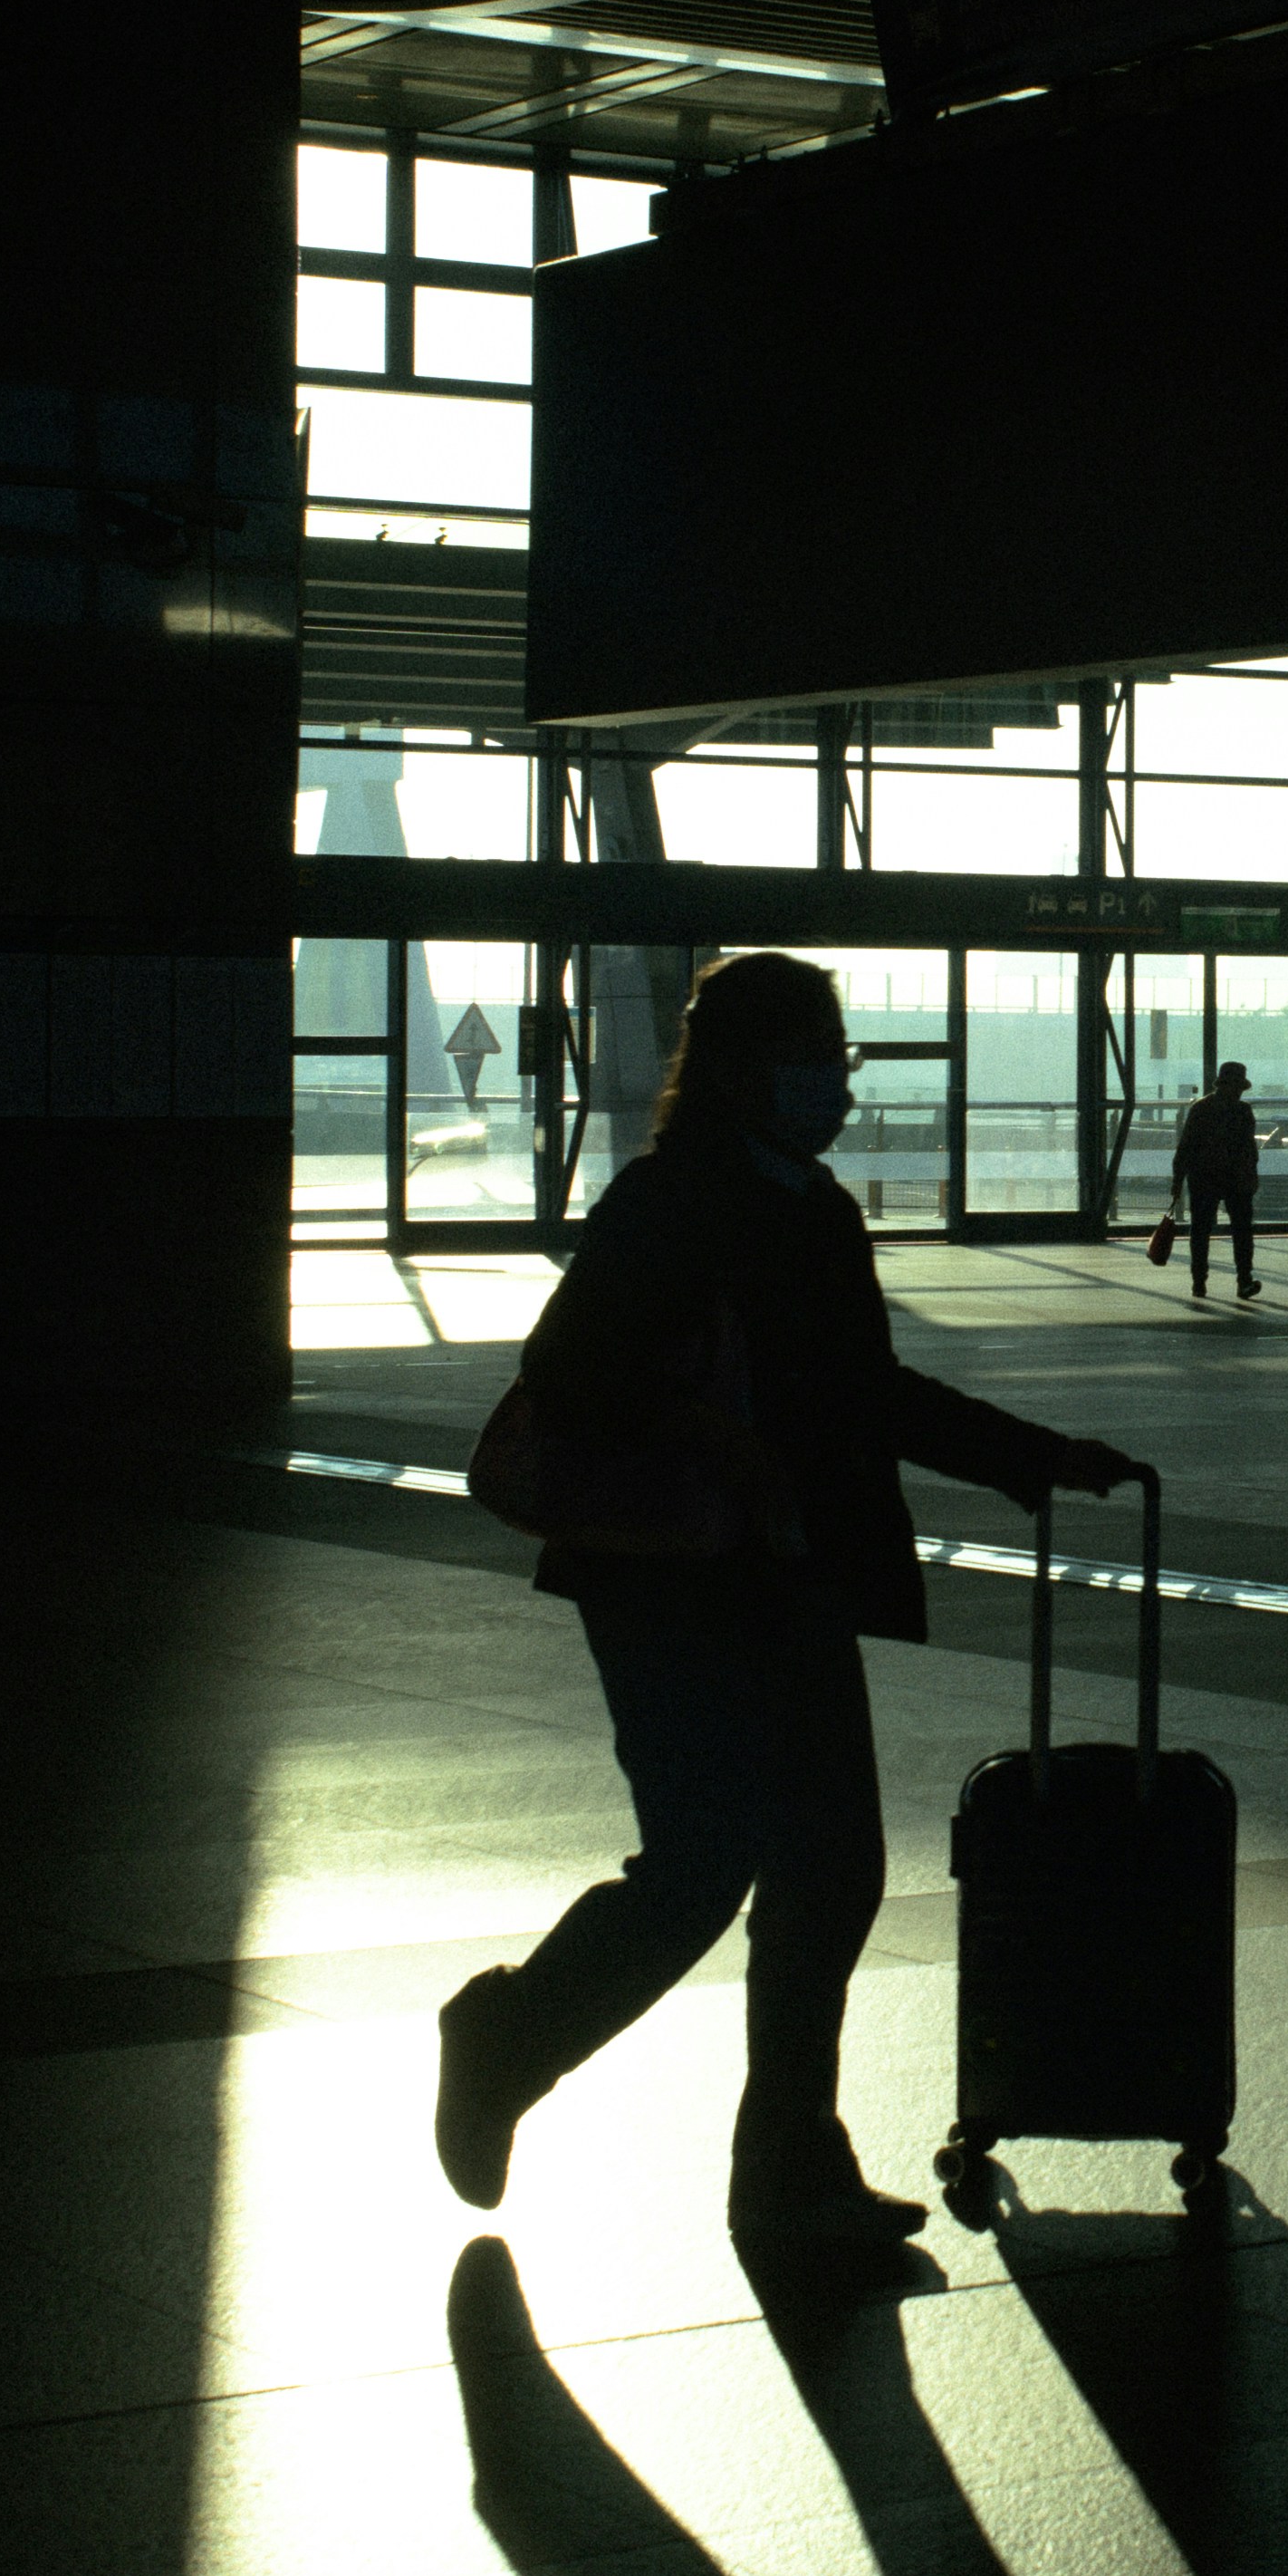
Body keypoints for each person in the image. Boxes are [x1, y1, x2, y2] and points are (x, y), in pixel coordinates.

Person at [434, 951, 1138, 2264]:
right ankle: (508, 2039)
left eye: (842, 1052)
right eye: (818, 1050)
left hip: (789, 1572)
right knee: (703, 1865)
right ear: (752, 1067)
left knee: (831, 1870)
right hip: (666, 1574)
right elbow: (566, 1371)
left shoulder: (815, 1210)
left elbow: (865, 1391)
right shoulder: (665, 1204)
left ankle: (790, 2167)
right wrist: (714, 1435)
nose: (837, 1076)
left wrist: (1032, 1456)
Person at [1170, 1058, 1261, 1299]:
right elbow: (1249, 1150)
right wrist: (1251, 1176)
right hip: (1236, 1179)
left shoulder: (1201, 1108)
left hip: (1204, 1177)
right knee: (1242, 1231)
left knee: (1200, 1230)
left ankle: (1199, 1282)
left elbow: (1186, 1147)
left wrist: (1178, 1179)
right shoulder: (1244, 1111)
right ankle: (1244, 1281)